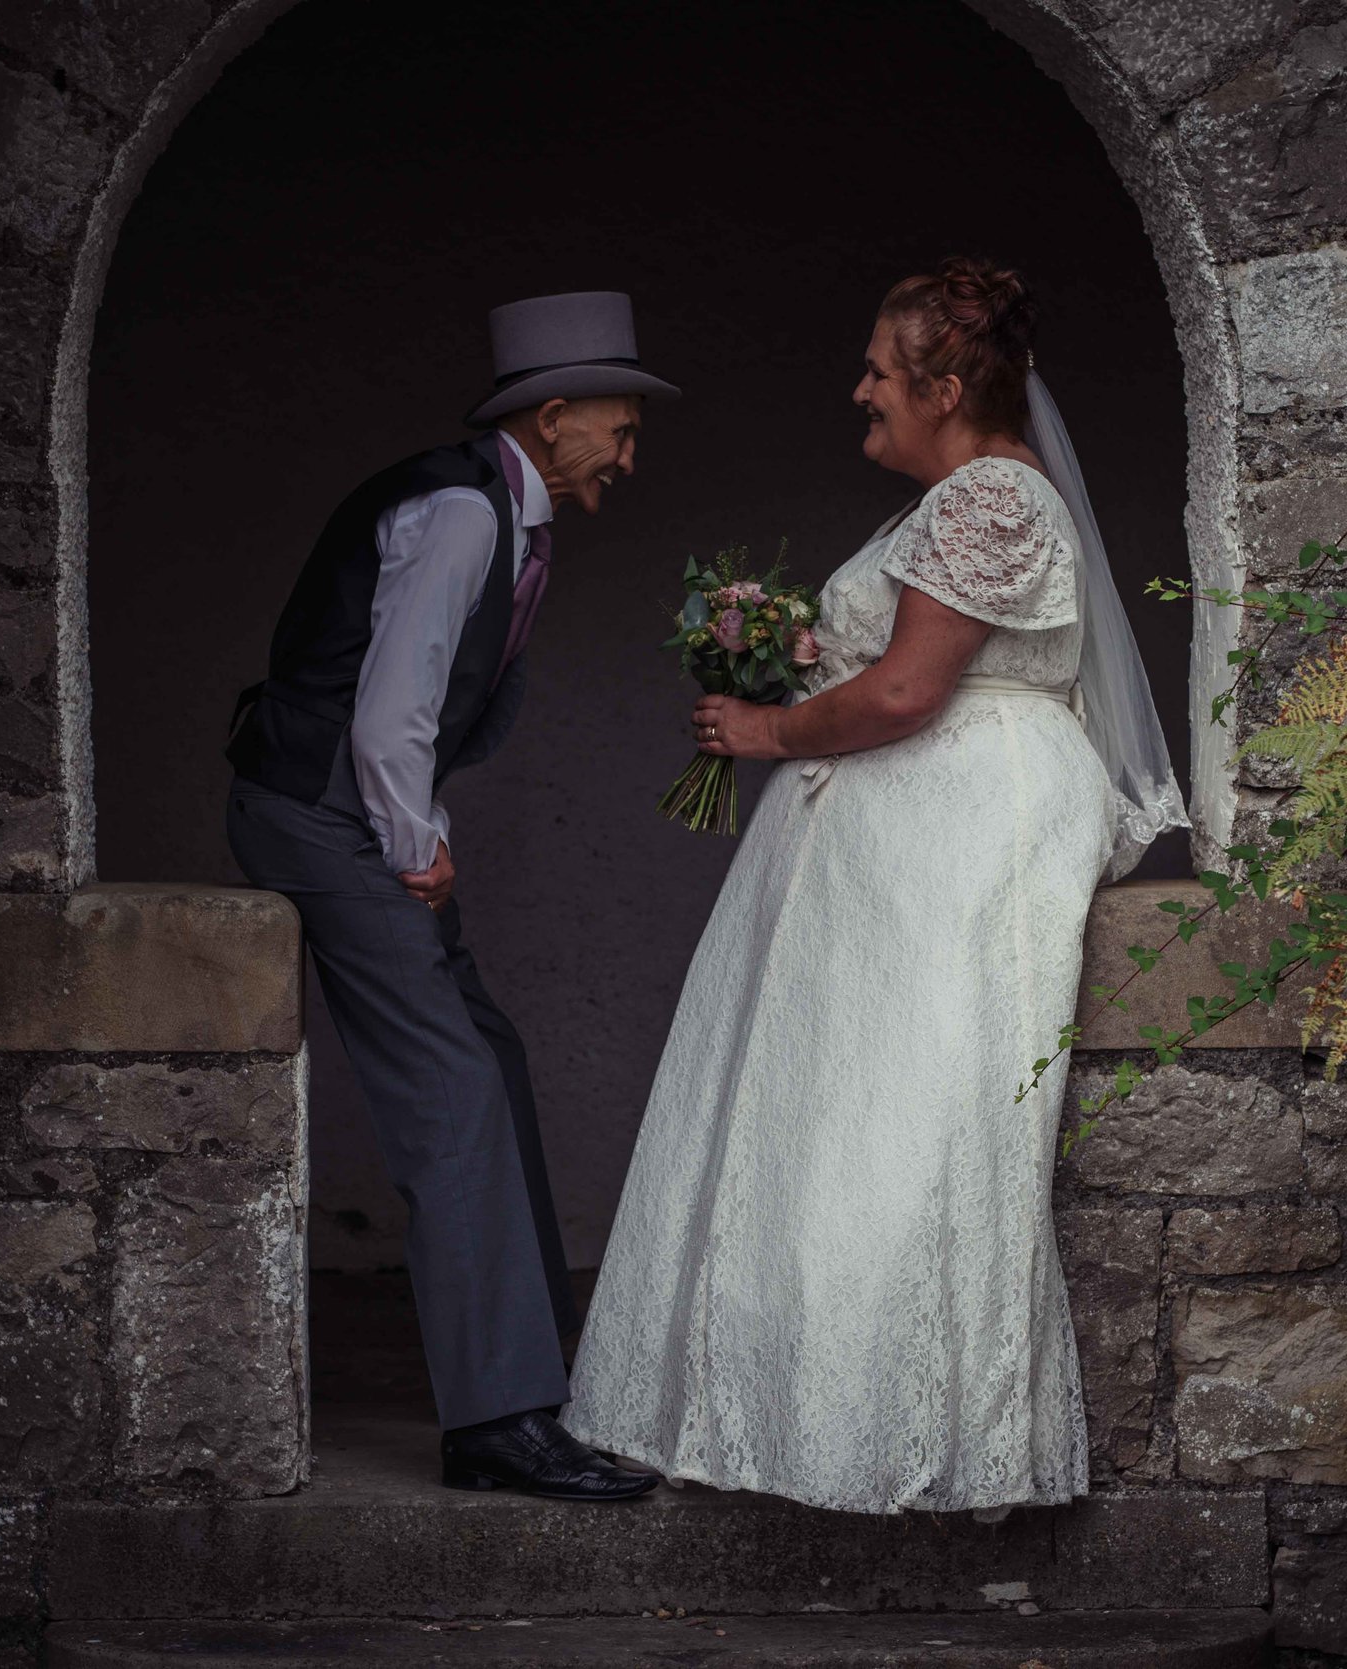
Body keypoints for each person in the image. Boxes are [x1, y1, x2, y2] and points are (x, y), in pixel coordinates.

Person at [564, 258, 1188, 1512]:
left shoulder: (991, 499)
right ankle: (783, 1415)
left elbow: (909, 691)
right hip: (894, 842)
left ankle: (892, 1435)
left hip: (956, 833)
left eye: (878, 371)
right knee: (835, 1116)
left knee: (904, 1125)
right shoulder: (960, 502)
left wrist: (765, 732)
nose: (859, 391)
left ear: (945, 386)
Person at [223, 291, 676, 1501]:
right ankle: (497, 1423)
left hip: (358, 810)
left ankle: (536, 1383)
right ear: (553, 411)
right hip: (320, 813)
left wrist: (414, 830)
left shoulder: (511, 510)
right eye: (617, 433)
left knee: (492, 1055)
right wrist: (417, 845)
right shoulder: (463, 513)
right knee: (454, 1085)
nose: (627, 458)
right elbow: (388, 714)